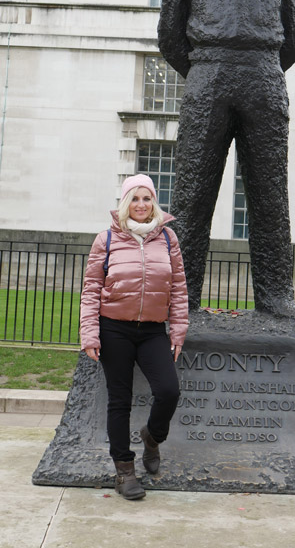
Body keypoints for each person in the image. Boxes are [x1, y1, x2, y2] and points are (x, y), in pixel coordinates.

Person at [158, 0, 295, 319]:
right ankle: (183, 298)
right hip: (207, 78)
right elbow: (169, 36)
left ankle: (275, 296)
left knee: (270, 192)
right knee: (192, 194)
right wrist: (207, 67)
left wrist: (258, 67)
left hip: (263, 79)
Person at [80, 173, 189, 500]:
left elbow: (180, 289)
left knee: (168, 391)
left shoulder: (168, 239)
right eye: (135, 198)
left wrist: (178, 329)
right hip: (114, 329)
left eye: (147, 198)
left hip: (153, 330)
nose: (141, 205)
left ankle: (152, 438)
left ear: (153, 202)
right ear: (126, 203)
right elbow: (91, 290)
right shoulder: (107, 240)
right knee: (120, 401)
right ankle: (124, 471)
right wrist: (90, 332)